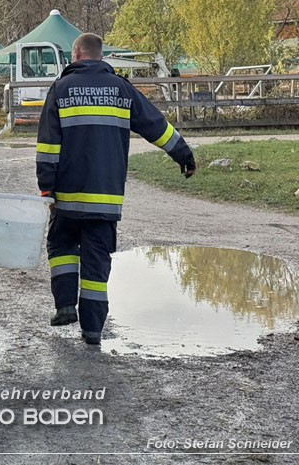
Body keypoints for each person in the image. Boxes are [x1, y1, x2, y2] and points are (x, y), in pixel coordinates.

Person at [36, 33, 196, 345]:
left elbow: (48, 146)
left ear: (79, 53)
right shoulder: (122, 89)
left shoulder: (60, 89)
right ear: (99, 55)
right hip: (105, 200)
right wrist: (184, 155)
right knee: (96, 259)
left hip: (67, 197)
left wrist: (47, 188)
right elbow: (156, 125)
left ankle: (66, 306)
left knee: (61, 245)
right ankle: (93, 329)